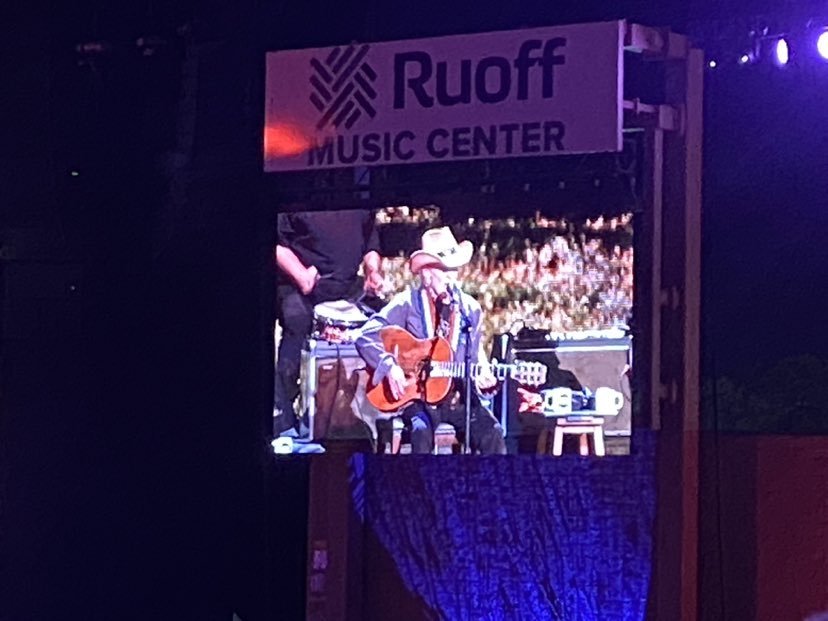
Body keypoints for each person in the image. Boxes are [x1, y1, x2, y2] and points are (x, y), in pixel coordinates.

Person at [355, 226, 507, 454]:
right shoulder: (407, 304)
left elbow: (475, 359)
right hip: (417, 399)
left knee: (492, 432)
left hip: (457, 398)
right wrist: (389, 366)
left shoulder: (469, 309)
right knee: (421, 431)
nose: (452, 277)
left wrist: (485, 380)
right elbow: (366, 336)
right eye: (445, 270)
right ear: (426, 273)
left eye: (454, 270)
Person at [274, 209, 383, 436]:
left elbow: (370, 243)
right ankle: (284, 416)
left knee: (383, 320)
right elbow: (276, 244)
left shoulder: (360, 198)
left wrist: (373, 272)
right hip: (301, 286)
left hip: (347, 287)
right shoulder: (296, 197)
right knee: (296, 320)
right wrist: (300, 275)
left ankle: (373, 414)